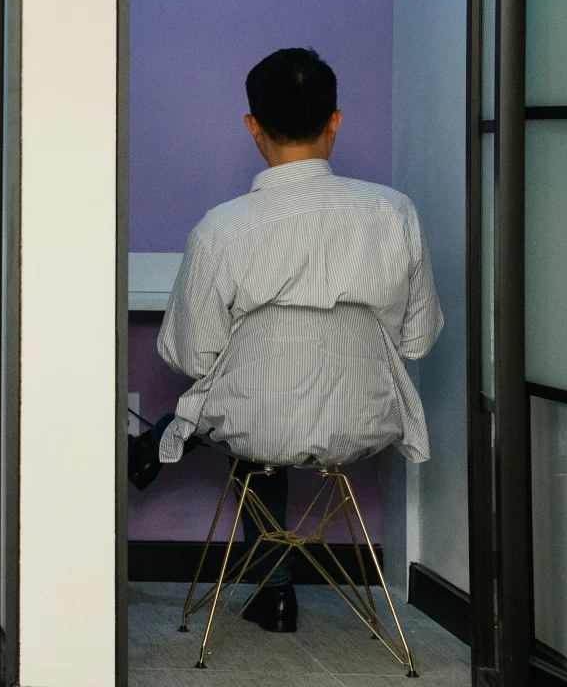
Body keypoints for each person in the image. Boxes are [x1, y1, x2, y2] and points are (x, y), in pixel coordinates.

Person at [128, 48, 441, 633]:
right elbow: (417, 339)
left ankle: (273, 589)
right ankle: (272, 586)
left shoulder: (221, 228)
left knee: (252, 413)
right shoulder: (394, 214)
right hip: (364, 421)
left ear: (253, 126)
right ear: (335, 121)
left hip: (258, 423)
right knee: (262, 406)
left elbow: (192, 356)